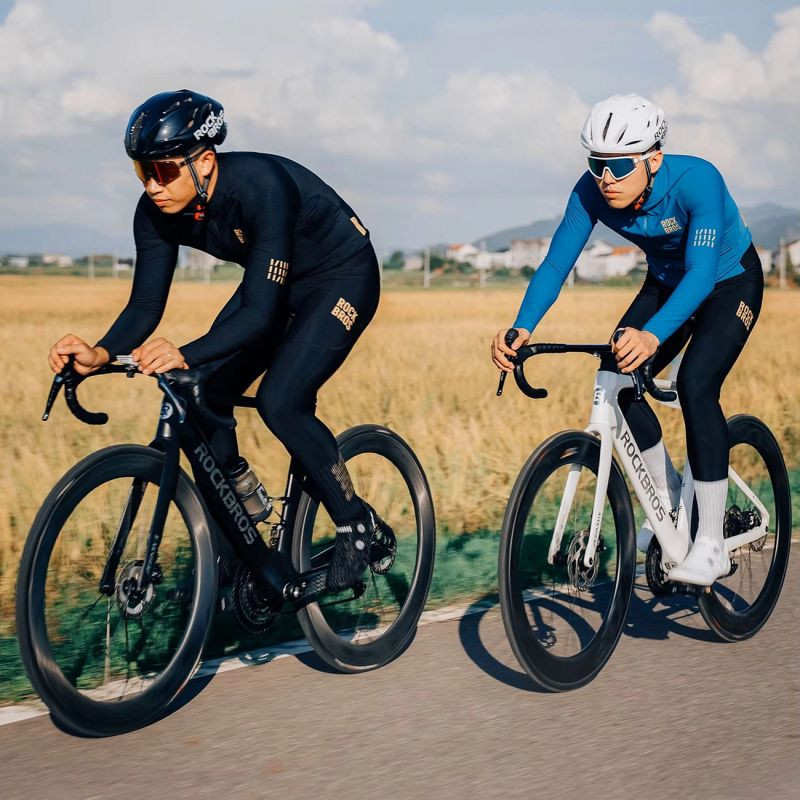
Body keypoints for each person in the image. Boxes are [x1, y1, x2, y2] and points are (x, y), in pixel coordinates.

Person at [47, 89, 386, 593]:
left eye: (164, 171)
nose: (152, 185)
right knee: (200, 390)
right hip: (275, 283)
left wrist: (183, 353)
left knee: (280, 400)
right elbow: (144, 307)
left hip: (342, 277)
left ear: (204, 162)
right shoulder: (154, 212)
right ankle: (242, 505)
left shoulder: (262, 185)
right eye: (142, 171)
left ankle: (356, 524)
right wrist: (98, 354)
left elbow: (259, 314)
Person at [491, 93, 763, 586]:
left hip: (728, 282)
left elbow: (701, 275)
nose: (605, 178)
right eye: (596, 163)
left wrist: (653, 335)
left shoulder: (697, 180)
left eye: (618, 165)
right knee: (617, 376)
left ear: (653, 159)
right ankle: (670, 503)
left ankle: (710, 545)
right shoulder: (592, 192)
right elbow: (555, 264)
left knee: (697, 383)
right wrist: (521, 327)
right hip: (665, 282)